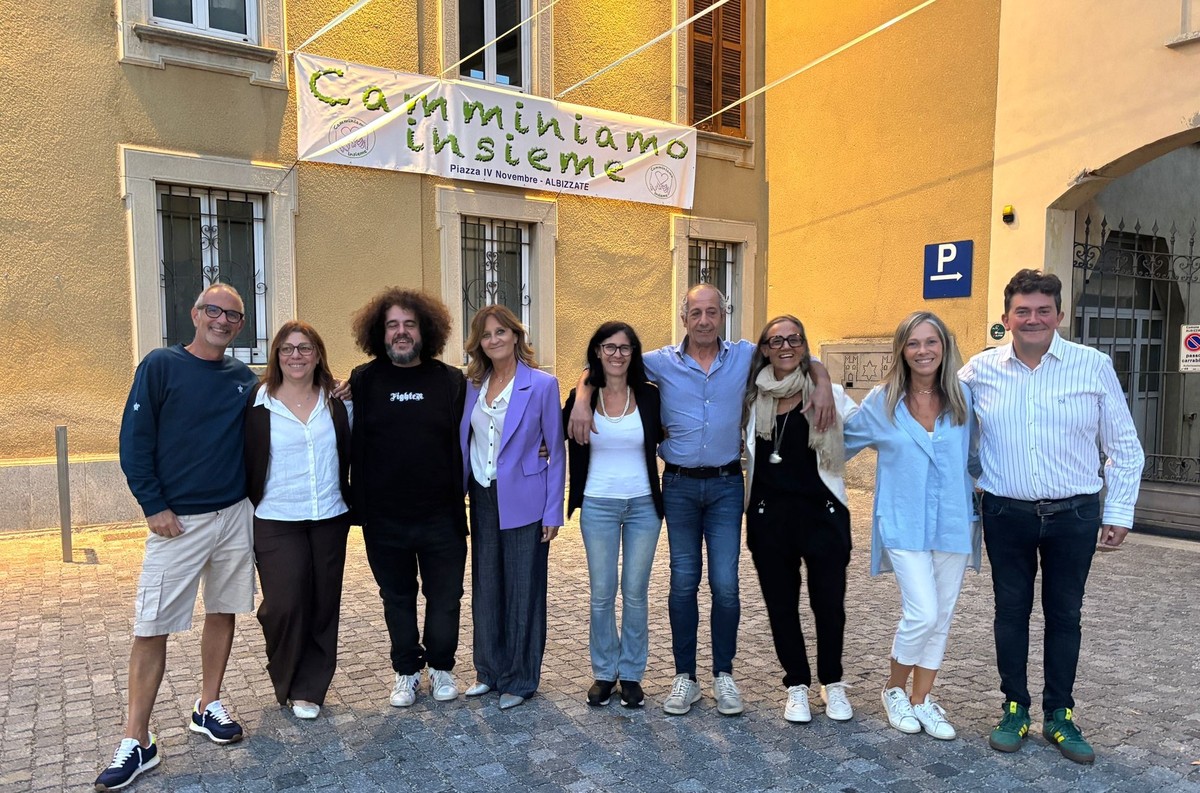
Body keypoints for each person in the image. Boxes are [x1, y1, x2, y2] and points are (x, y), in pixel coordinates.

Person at [569, 284, 835, 717]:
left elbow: (793, 355)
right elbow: (604, 362)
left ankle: (723, 674)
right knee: (683, 581)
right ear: (684, 318)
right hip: (678, 486)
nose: (705, 320)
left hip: (727, 485)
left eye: (713, 312)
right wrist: (583, 397)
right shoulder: (661, 361)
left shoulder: (745, 356)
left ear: (723, 315)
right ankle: (685, 677)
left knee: (726, 584)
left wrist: (821, 382)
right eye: (696, 313)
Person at [962, 269, 1144, 764]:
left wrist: (1119, 510)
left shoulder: (1093, 366)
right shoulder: (978, 372)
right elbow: (946, 423)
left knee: (1065, 614)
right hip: (1007, 513)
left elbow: (1124, 446)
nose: (1033, 319)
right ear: (1006, 318)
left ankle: (1059, 714)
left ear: (1059, 315)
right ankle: (1014, 708)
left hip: (1074, 514)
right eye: (1022, 311)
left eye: (1043, 310)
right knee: (1011, 611)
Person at [97, 284, 259, 791]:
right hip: (178, 521)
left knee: (224, 610)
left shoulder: (242, 378)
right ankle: (137, 739)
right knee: (152, 625)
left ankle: (208, 705)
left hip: (235, 514)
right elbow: (134, 441)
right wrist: (153, 505)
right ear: (194, 314)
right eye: (213, 310)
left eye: (232, 315)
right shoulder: (160, 366)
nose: (222, 320)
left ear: (240, 325)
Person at [843, 311, 980, 740]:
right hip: (903, 521)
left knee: (942, 615)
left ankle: (922, 700)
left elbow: (978, 456)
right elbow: (838, 445)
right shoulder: (883, 402)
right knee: (922, 611)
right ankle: (894, 689)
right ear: (902, 350)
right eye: (913, 343)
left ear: (944, 346)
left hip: (954, 520)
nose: (923, 351)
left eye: (931, 341)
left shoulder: (963, 397)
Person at [348, 288, 468, 709]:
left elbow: (482, 428)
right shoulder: (363, 381)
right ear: (379, 332)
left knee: (446, 598)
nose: (401, 332)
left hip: (442, 516)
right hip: (384, 519)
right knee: (397, 598)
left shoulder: (450, 381)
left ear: (425, 330)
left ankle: (441, 667)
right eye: (392, 325)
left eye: (409, 325)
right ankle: (406, 671)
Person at [742, 315, 859, 724]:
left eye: (794, 339)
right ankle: (796, 684)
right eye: (776, 341)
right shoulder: (752, 398)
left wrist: (822, 380)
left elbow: (859, 433)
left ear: (805, 346)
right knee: (781, 606)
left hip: (823, 514)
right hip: (769, 517)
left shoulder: (830, 395)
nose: (786, 347)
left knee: (829, 605)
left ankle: (832, 681)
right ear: (765, 349)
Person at [458, 304, 566, 710]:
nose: (494, 340)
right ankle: (488, 671)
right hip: (482, 495)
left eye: (501, 332)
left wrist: (553, 511)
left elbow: (556, 451)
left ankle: (520, 679)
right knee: (486, 586)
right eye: (486, 335)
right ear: (478, 344)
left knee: (524, 589)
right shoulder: (472, 385)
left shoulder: (542, 385)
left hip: (525, 498)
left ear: (516, 336)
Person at [244, 321, 352, 721]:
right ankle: (286, 672)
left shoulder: (337, 401)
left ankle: (309, 688)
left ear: (318, 354)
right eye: (287, 349)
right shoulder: (258, 402)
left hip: (329, 516)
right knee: (284, 604)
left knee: (323, 605)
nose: (296, 356)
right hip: (276, 516)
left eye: (305, 348)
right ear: (276, 355)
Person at [563, 322, 664, 709]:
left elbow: (668, 432)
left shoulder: (650, 396)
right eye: (609, 347)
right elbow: (553, 434)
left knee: (635, 593)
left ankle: (632, 674)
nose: (617, 354)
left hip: (643, 506)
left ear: (633, 353)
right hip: (598, 505)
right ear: (597, 351)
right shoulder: (581, 397)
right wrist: (582, 394)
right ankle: (605, 673)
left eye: (625, 348)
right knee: (602, 594)